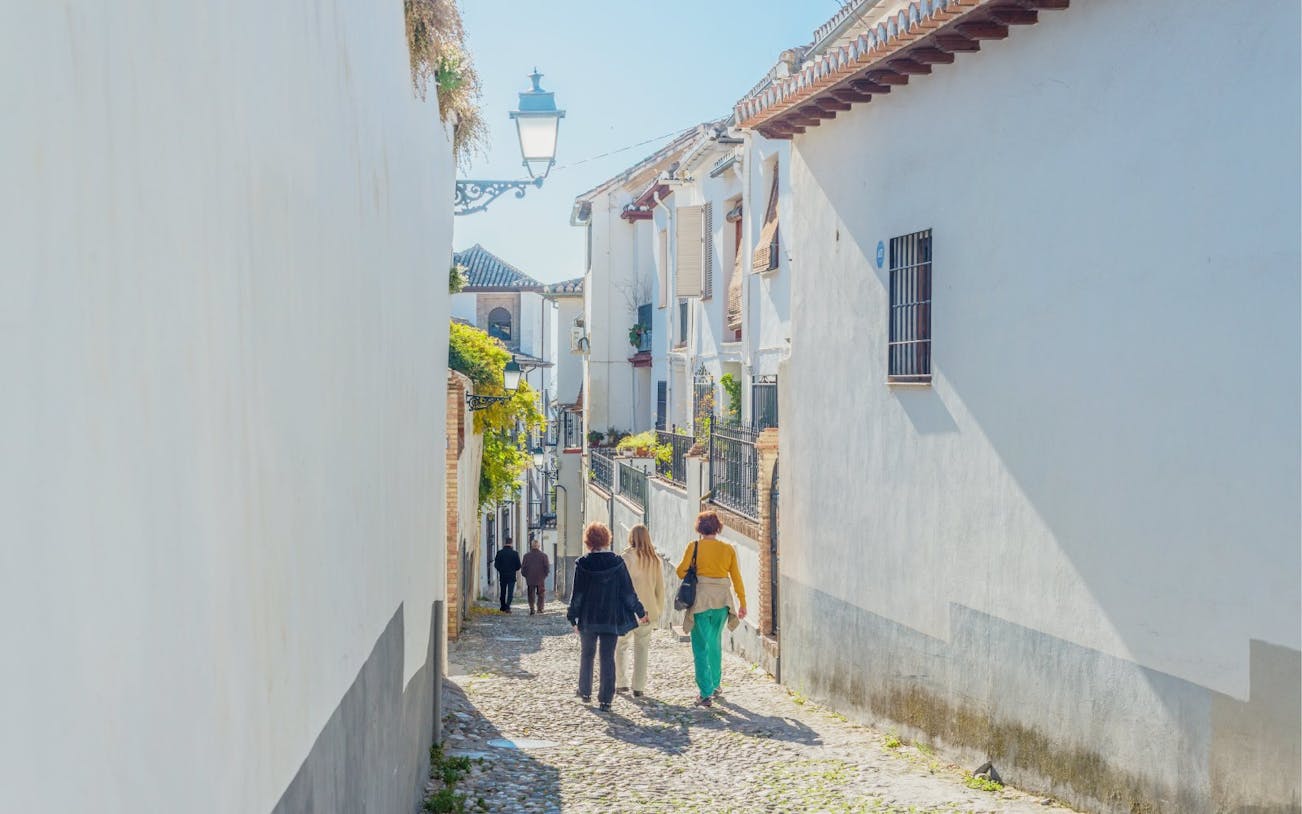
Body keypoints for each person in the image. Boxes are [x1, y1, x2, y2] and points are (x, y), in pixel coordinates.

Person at [567, 522, 647, 711]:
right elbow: (628, 592)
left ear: (588, 541)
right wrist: (640, 611)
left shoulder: (583, 563)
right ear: (606, 539)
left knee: (587, 654)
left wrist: (573, 617)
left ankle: (585, 691)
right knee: (607, 656)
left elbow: (577, 594)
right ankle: (606, 699)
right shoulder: (617, 562)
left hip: (589, 617)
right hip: (611, 617)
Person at [676, 510, 746, 707]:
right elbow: (737, 578)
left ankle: (705, 692)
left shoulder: (694, 546)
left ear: (699, 528)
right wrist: (742, 603)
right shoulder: (728, 549)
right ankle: (715, 685)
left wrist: (693, 568)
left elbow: (681, 571)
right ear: (718, 527)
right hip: (723, 601)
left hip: (701, 601)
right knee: (715, 642)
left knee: (700, 646)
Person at [616, 524, 664, 698]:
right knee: (642, 649)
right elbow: (660, 589)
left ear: (631, 537)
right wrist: (657, 610)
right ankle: (639, 686)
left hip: (627, 610)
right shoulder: (654, 560)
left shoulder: (626, 558)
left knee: (620, 645)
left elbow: (619, 585)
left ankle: (621, 683)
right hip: (648, 610)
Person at [520, 536, 550, 615]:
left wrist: (525, 575)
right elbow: (546, 567)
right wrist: (544, 575)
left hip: (530, 577)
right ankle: (540, 608)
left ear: (531, 546)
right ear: (539, 546)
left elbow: (523, 567)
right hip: (540, 578)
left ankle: (532, 608)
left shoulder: (526, 556)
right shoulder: (544, 556)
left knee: (531, 594)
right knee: (541, 594)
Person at [493, 540, 521, 613]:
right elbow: (518, 565)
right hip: (511, 575)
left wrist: (501, 570)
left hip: (503, 575)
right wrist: (513, 569)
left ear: (504, 543)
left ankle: (502, 606)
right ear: (511, 543)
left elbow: (496, 565)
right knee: (510, 592)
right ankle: (508, 607)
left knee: (503, 591)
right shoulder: (515, 553)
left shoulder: (500, 553)